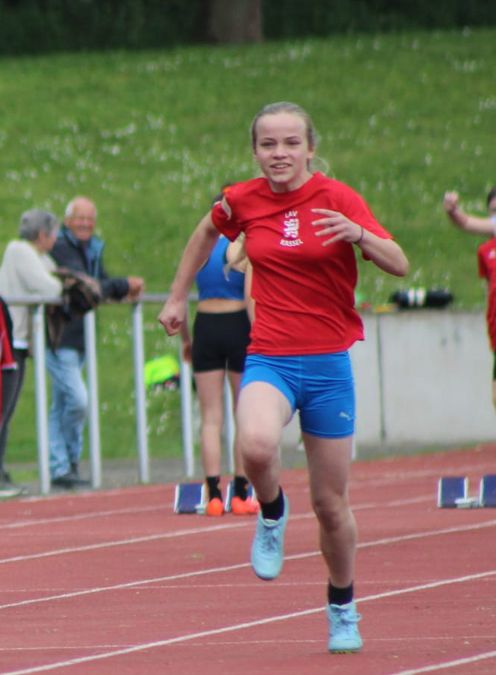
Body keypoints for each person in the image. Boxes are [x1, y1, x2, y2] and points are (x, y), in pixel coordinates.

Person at [159, 101, 408, 654]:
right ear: (255, 151)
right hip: (270, 355)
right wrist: (177, 297)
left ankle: (342, 606)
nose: (279, 154)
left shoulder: (338, 198)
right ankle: (271, 510)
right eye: (268, 144)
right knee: (254, 444)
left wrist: (358, 234)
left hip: (328, 364)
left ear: (310, 148)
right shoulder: (243, 200)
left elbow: (399, 262)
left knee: (330, 504)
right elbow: (204, 232)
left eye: (291, 143)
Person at [47, 196, 143, 488]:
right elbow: (86, 286)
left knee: (64, 403)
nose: (85, 224)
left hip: (80, 336)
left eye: (90, 219)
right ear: (67, 221)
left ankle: (65, 467)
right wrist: (123, 284)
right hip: (60, 334)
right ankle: (63, 464)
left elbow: (100, 282)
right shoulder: (61, 248)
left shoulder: (92, 248)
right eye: (80, 218)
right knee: (77, 400)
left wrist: (119, 289)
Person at [179, 230, 256, 516]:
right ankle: (240, 494)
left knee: (210, 417)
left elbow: (180, 296)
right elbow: (251, 296)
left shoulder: (200, 245)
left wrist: (186, 340)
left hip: (205, 325)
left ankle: (212, 495)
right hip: (238, 324)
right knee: (242, 413)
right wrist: (257, 334)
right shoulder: (244, 245)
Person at [0, 209, 63, 495]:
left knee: (5, 410)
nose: (55, 239)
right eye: (53, 234)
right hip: (7, 342)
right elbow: (51, 287)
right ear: (42, 235)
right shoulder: (19, 251)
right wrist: (61, 283)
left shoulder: (37, 256)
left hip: (17, 343)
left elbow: (55, 275)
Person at [443, 187, 496, 410]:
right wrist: (452, 211)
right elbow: (489, 289)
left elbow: (467, 223)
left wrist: (456, 214)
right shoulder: (486, 251)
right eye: (493, 211)